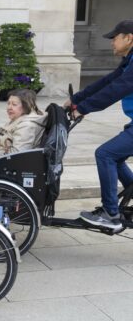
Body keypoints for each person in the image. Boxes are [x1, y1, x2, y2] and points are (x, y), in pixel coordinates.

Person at [65, 20, 133, 231]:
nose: (112, 42)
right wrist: (77, 99)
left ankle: (110, 214)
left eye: (115, 38)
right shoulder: (129, 60)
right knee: (116, 157)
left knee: (105, 154)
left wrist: (83, 108)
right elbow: (108, 82)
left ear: (129, 38)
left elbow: (117, 89)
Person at [0, 89, 47, 159]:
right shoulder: (18, 118)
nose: (9, 107)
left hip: (10, 163)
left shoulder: (27, 126)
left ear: (26, 106)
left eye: (14, 104)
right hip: (0, 154)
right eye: (8, 103)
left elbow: (16, 155)